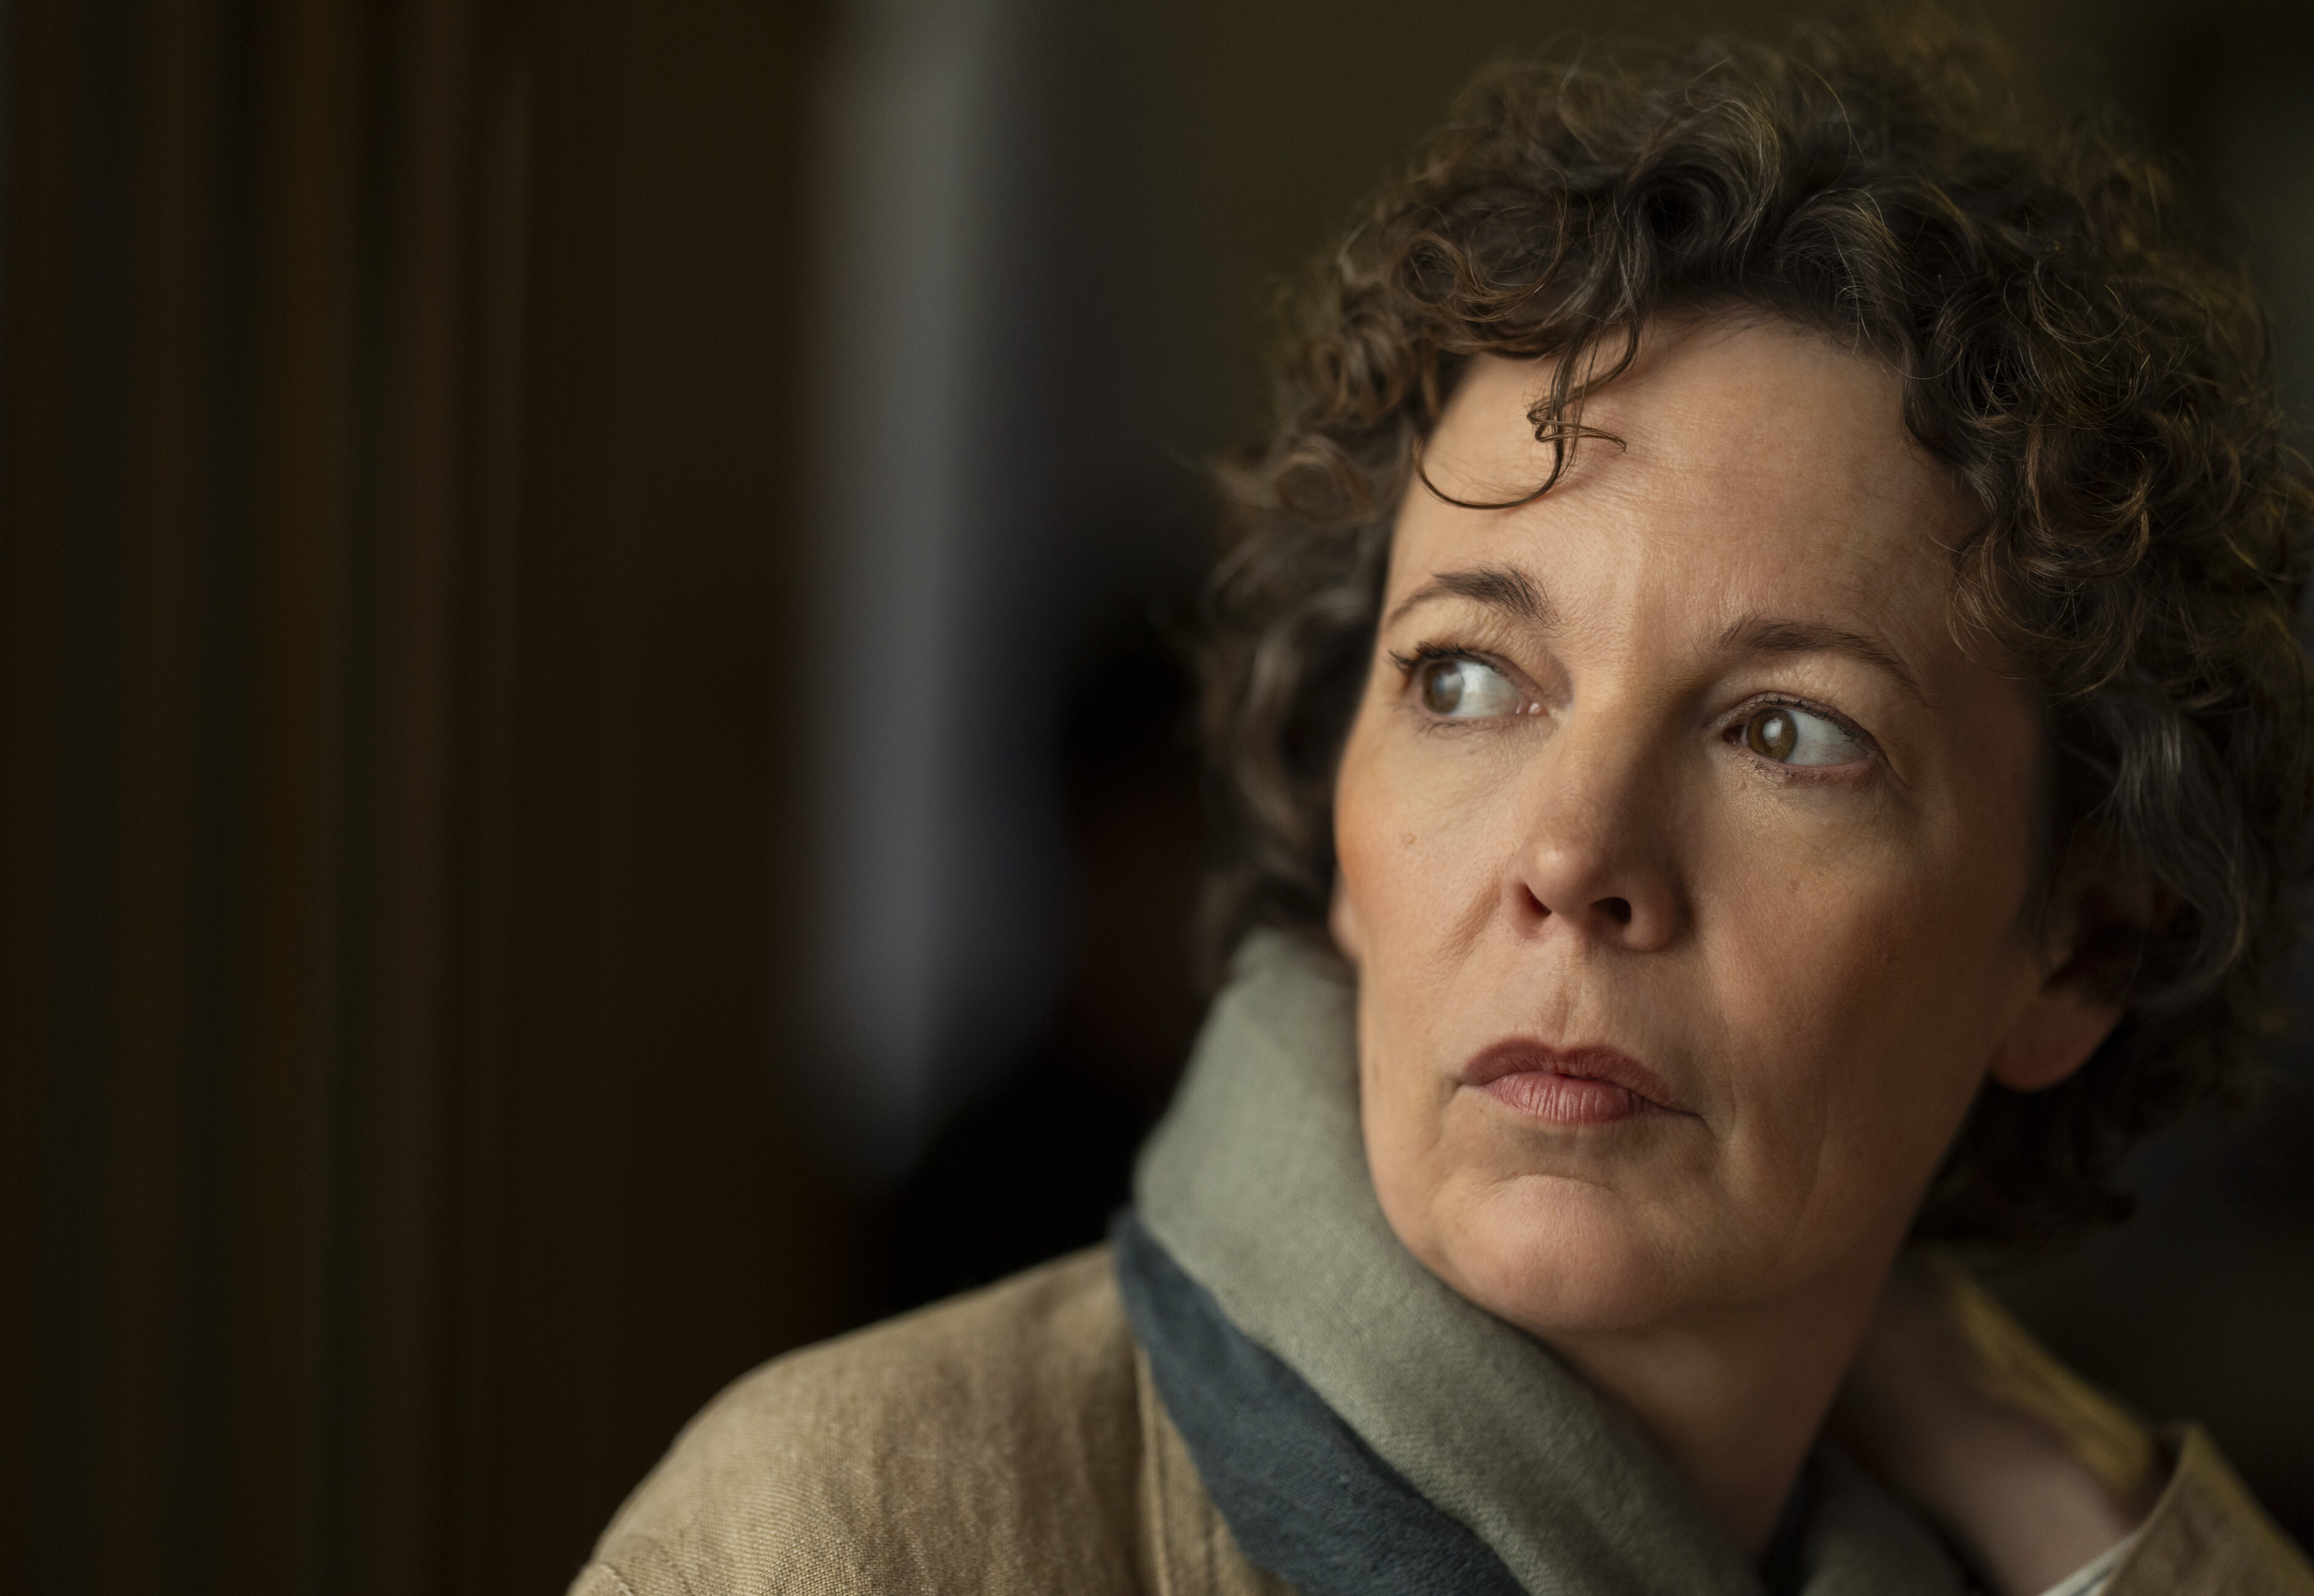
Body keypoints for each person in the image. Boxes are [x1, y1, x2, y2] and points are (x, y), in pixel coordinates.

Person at [571, 20, 2314, 1595]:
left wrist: (2058, 1497)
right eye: (1467, 681)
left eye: (1786, 733)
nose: (1569, 859)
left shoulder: (1985, 1551)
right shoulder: (837, 1536)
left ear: (2079, 940)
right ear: (1336, 793)